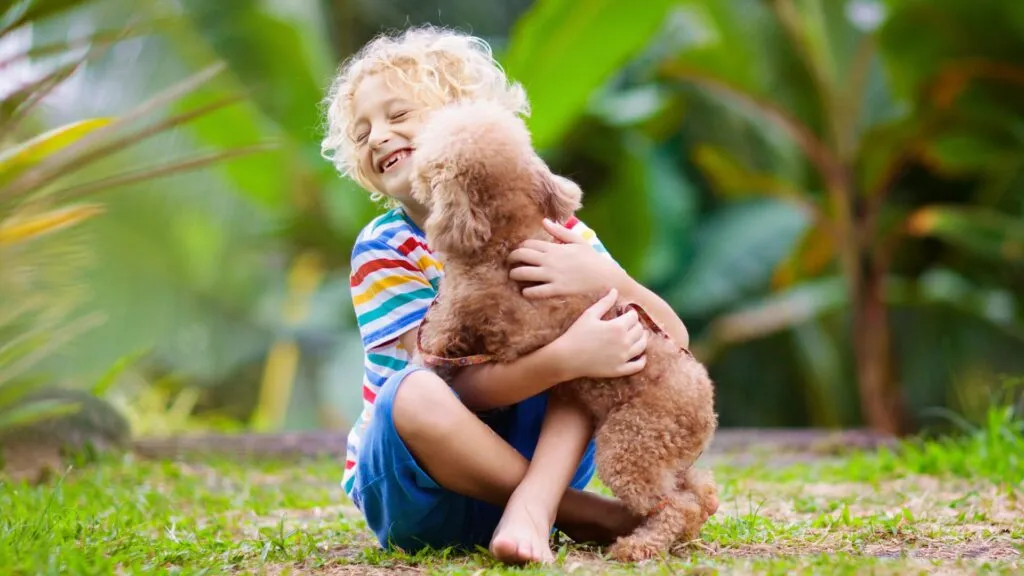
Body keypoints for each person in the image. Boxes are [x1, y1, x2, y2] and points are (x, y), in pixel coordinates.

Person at [320, 24, 692, 565]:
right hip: (417, 486)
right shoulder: (386, 248)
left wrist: (610, 283)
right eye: (362, 133)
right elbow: (450, 389)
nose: (377, 136)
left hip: (539, 461)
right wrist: (564, 358)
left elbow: (670, 341)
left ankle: (536, 507)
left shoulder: (552, 227)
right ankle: (576, 512)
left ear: (468, 119)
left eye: (398, 115)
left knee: (604, 346)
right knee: (415, 390)